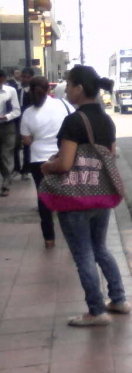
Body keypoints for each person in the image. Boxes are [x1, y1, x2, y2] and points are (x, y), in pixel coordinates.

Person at [41, 66, 130, 326]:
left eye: (68, 85)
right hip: (101, 194)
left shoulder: (74, 121)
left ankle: (96, 311)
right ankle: (119, 299)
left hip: (75, 198)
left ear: (79, 88)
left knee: (83, 255)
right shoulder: (106, 120)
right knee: (100, 248)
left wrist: (47, 166)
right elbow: (109, 157)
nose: (66, 89)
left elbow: (65, 164)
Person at [20, 76, 71, 249]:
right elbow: (74, 123)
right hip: (62, 156)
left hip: (38, 161)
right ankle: (71, 235)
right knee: (66, 195)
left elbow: (26, 141)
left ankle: (49, 239)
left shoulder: (28, 113)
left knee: (44, 199)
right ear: (49, 89)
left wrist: (37, 136)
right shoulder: (62, 104)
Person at [0, 70, 21, 197]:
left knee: (5, 154)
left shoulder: (10, 91)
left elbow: (17, 110)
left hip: (7, 127)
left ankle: (6, 183)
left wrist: (6, 117)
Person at [14, 67, 34, 180]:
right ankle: (16, 168)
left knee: (27, 145)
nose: (25, 79)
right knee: (15, 144)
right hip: (16, 120)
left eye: (27, 77)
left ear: (31, 78)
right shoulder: (15, 89)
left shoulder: (32, 91)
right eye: (23, 77)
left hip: (28, 120)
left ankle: (26, 169)